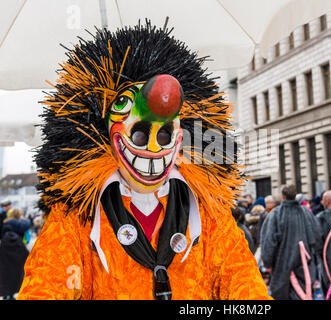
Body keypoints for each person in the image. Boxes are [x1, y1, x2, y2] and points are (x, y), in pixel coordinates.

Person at [17, 22, 270, 300]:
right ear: (105, 134)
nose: (152, 147)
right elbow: (46, 286)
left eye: (164, 134)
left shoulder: (209, 218)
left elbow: (246, 287)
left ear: (180, 138)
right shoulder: (77, 220)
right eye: (138, 133)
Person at [260, 184, 322, 300]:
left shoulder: (275, 215)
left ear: (282, 196)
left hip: (281, 265)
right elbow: (317, 236)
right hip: (304, 264)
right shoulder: (306, 213)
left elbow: (268, 241)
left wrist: (268, 263)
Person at [0, 225, 29, 300]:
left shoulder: (3, 242)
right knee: (15, 282)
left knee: (6, 282)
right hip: (17, 267)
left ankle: (7, 295)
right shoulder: (18, 240)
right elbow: (26, 253)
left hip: (5, 268)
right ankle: (11, 295)